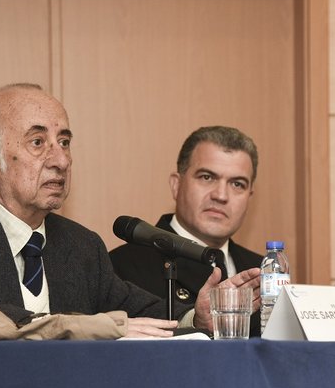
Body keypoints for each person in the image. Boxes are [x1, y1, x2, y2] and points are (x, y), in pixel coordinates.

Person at [0, 83, 260, 343]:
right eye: (38, 143)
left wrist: (195, 318)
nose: (61, 160)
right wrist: (62, 327)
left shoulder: (80, 246)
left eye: (64, 142)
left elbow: (141, 313)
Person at [108, 126, 264, 336]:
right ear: (176, 185)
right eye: (207, 177)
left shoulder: (262, 271)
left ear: (249, 197)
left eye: (237, 184)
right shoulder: (122, 266)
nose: (221, 195)